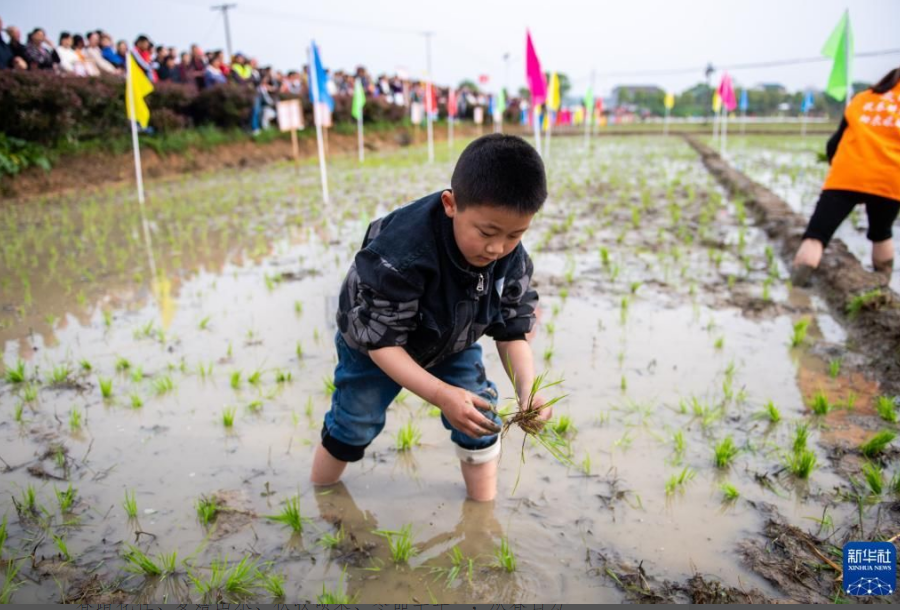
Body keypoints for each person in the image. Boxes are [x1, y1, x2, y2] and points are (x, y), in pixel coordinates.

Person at [310, 134, 551, 502]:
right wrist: (441, 395)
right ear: (451, 204)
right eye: (487, 232)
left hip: (452, 337)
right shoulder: (402, 253)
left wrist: (527, 392)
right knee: (354, 422)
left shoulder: (509, 255)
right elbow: (382, 342)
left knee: (481, 418)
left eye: (515, 234)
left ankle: (482, 516)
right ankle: (320, 496)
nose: (497, 248)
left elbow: (513, 330)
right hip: (376, 344)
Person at [792, 67, 900, 286]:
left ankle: (797, 289)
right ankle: (882, 284)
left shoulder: (862, 99)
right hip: (890, 178)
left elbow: (834, 144)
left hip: (848, 174)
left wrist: (838, 169)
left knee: (816, 235)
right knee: (881, 233)